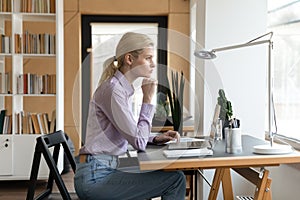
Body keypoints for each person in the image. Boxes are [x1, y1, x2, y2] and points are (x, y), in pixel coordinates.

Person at [74, 32, 186, 200]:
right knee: (175, 179)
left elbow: (132, 134)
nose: (153, 64)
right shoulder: (113, 91)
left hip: (104, 169)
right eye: (148, 58)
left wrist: (155, 138)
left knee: (167, 173)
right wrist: (148, 99)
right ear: (129, 59)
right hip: (96, 178)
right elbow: (138, 142)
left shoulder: (120, 89)